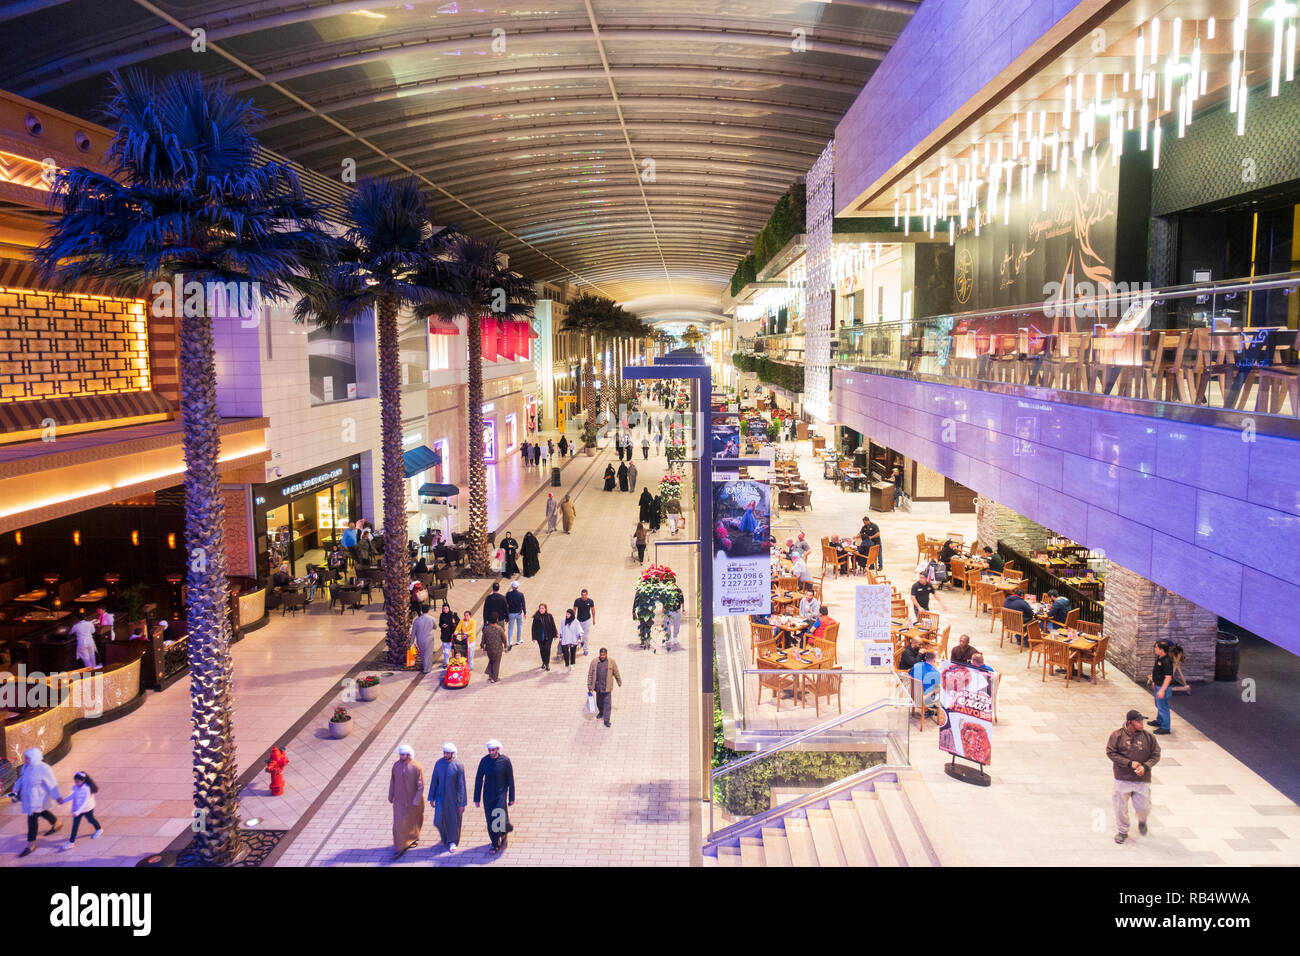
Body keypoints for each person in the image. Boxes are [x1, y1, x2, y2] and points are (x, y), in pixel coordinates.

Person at [1107, 710, 1161, 844]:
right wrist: (1129, 763)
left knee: (1144, 807)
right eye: (1138, 721)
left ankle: (1142, 820)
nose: (1142, 724)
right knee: (1120, 807)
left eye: (1142, 721)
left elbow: (1156, 755)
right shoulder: (1117, 735)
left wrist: (1146, 766)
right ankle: (1122, 831)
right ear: (1130, 722)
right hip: (1122, 778)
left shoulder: (1149, 737)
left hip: (1142, 780)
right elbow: (1111, 752)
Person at [9, 747, 62, 857]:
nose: (25, 761)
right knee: (42, 812)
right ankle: (56, 823)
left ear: (34, 758)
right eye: (25, 758)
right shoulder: (26, 767)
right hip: (29, 798)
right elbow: (22, 779)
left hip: (38, 799)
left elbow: (52, 783)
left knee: (32, 820)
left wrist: (57, 796)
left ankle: (31, 844)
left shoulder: (44, 768)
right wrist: (15, 788)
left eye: (28, 758)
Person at [474, 740, 516, 855]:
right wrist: (476, 798)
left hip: (501, 794)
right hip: (488, 795)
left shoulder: (505, 761)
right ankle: (494, 842)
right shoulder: (484, 761)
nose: (491, 752)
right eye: (489, 750)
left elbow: (510, 780)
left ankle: (503, 834)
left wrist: (511, 797)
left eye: (493, 750)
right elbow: (478, 779)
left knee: (499, 815)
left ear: (498, 749)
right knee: (490, 819)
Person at [427, 743, 466, 854]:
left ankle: (452, 841)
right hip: (440, 797)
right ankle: (445, 837)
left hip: (454, 798)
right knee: (438, 820)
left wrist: (462, 803)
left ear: (453, 754)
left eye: (447, 753)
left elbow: (462, 785)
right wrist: (431, 797)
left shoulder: (458, 765)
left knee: (453, 820)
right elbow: (434, 780)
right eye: (444, 752)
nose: (445, 754)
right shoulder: (439, 764)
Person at [388, 744, 425, 858]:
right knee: (399, 824)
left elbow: (421, 785)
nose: (401, 756)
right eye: (400, 754)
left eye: (403, 754)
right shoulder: (396, 766)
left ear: (408, 754)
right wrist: (391, 795)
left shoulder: (416, 767)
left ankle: (412, 839)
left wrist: (417, 799)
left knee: (412, 821)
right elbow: (393, 781)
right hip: (399, 801)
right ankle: (399, 846)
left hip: (412, 801)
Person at [57, 770, 102, 849]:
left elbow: (85, 802)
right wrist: (63, 801)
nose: (76, 783)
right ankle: (71, 842)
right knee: (75, 825)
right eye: (75, 781)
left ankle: (99, 829)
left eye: (78, 782)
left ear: (83, 780)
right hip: (78, 809)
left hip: (87, 808)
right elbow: (73, 795)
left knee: (90, 819)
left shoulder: (87, 789)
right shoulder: (76, 787)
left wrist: (77, 812)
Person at [587, 647, 623, 728]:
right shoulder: (594, 662)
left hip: (607, 687)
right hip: (598, 687)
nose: (602, 656)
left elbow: (616, 672)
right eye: (601, 655)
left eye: (603, 655)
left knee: (607, 704)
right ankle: (601, 712)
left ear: (606, 654)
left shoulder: (611, 662)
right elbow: (590, 674)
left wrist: (619, 681)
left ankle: (607, 720)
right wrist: (589, 685)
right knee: (599, 702)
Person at [1149, 641, 1174, 735]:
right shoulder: (1159, 658)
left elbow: (1168, 677)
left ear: (1161, 650)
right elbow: (1158, 672)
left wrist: (1162, 690)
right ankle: (1159, 721)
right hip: (1158, 685)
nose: (1154, 649)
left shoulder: (1166, 661)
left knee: (1163, 707)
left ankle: (1165, 727)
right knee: (1158, 704)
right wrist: (1154, 682)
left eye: (1156, 648)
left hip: (1163, 688)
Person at [480, 615, 507, 683]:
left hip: (489, 649)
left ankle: (490, 675)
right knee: (496, 663)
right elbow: (504, 638)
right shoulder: (499, 628)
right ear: (496, 620)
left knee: (492, 661)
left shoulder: (486, 629)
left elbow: (483, 639)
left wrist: (482, 647)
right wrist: (505, 645)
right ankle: (494, 678)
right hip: (498, 649)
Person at [531, 604, 558, 671]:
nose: (541, 609)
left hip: (549, 636)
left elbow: (553, 625)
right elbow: (533, 628)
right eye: (540, 608)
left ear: (545, 609)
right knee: (542, 650)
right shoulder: (536, 617)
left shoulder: (549, 616)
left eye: (542, 608)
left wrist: (555, 635)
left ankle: (547, 663)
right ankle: (543, 662)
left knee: (547, 649)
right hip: (540, 637)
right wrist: (533, 637)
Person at [411, 606, 437, 674]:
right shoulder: (432, 619)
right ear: (428, 610)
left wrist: (411, 642)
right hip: (429, 639)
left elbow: (413, 632)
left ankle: (425, 666)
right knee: (428, 654)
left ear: (422, 610)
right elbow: (435, 627)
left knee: (422, 654)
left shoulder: (417, 620)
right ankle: (427, 669)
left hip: (420, 639)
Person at [574, 588, 595, 656]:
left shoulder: (590, 601)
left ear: (587, 595)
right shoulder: (577, 601)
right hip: (579, 620)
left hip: (587, 620)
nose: (583, 596)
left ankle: (585, 649)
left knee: (586, 635)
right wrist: (572, 619)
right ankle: (581, 642)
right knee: (578, 634)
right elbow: (574, 609)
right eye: (582, 595)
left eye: (585, 595)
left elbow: (593, 610)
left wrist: (594, 619)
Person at [505, 581, 527, 648]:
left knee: (510, 628)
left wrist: (505, 614)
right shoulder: (521, 594)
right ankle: (518, 640)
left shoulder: (508, 594)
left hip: (511, 613)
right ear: (517, 587)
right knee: (519, 626)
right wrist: (525, 612)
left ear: (512, 587)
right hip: (519, 613)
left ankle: (510, 642)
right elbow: (523, 604)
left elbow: (506, 604)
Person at [438, 603, 457, 668]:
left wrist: (454, 622)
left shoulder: (452, 615)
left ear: (449, 608)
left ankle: (451, 662)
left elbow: (458, 622)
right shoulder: (441, 615)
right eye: (443, 609)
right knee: (445, 651)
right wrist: (442, 625)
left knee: (450, 650)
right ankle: (447, 663)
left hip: (451, 635)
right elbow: (439, 623)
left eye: (446, 608)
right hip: (444, 635)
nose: (445, 610)